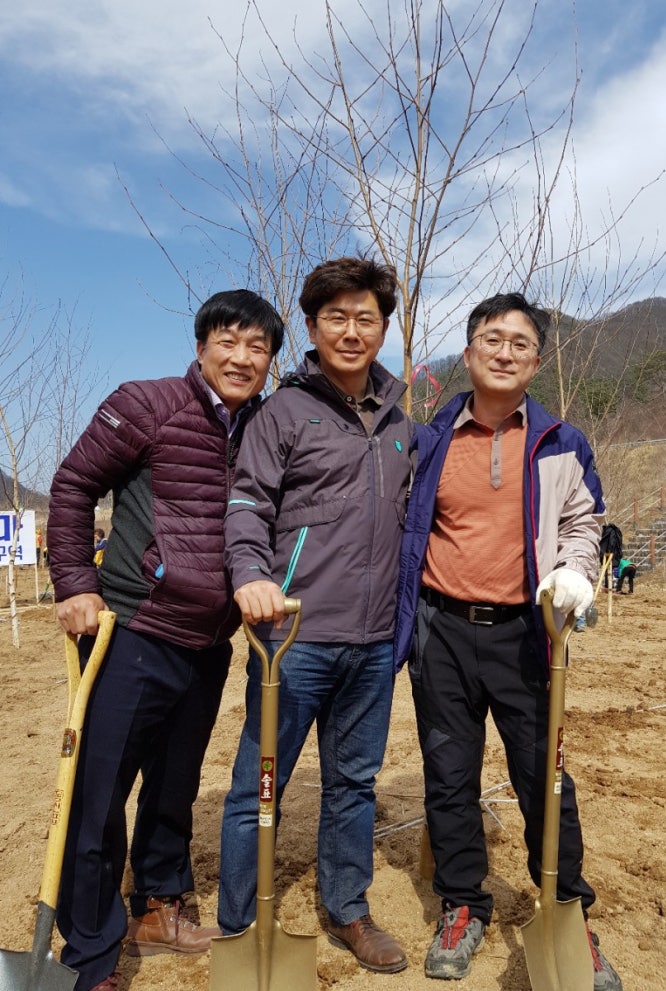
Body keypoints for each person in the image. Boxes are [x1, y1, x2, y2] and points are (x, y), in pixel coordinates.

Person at [46, 289, 284, 991]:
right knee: (100, 788)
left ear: (270, 358)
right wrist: (73, 583)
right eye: (228, 341)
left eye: (256, 347)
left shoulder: (265, 426)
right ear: (202, 343)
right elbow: (72, 484)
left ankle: (158, 904)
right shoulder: (146, 404)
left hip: (210, 640)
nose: (241, 358)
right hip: (133, 630)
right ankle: (89, 951)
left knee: (174, 785)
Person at [394, 292, 623, 990]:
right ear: (467, 354)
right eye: (490, 339)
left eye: (518, 342)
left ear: (535, 359)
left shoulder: (560, 441)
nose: (503, 351)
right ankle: (463, 904)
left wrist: (575, 573)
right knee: (449, 774)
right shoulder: (427, 439)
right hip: (441, 630)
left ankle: (565, 910)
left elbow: (586, 521)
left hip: (527, 634)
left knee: (542, 778)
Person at [220, 257, 412, 973]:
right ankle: (240, 922)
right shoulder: (283, 411)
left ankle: (348, 907)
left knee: (353, 783)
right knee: (256, 786)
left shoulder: (400, 425)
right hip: (292, 636)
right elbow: (246, 505)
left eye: (366, 317)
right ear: (310, 326)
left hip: (371, 643)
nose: (351, 330)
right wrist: (249, 576)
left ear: (383, 328)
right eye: (336, 316)